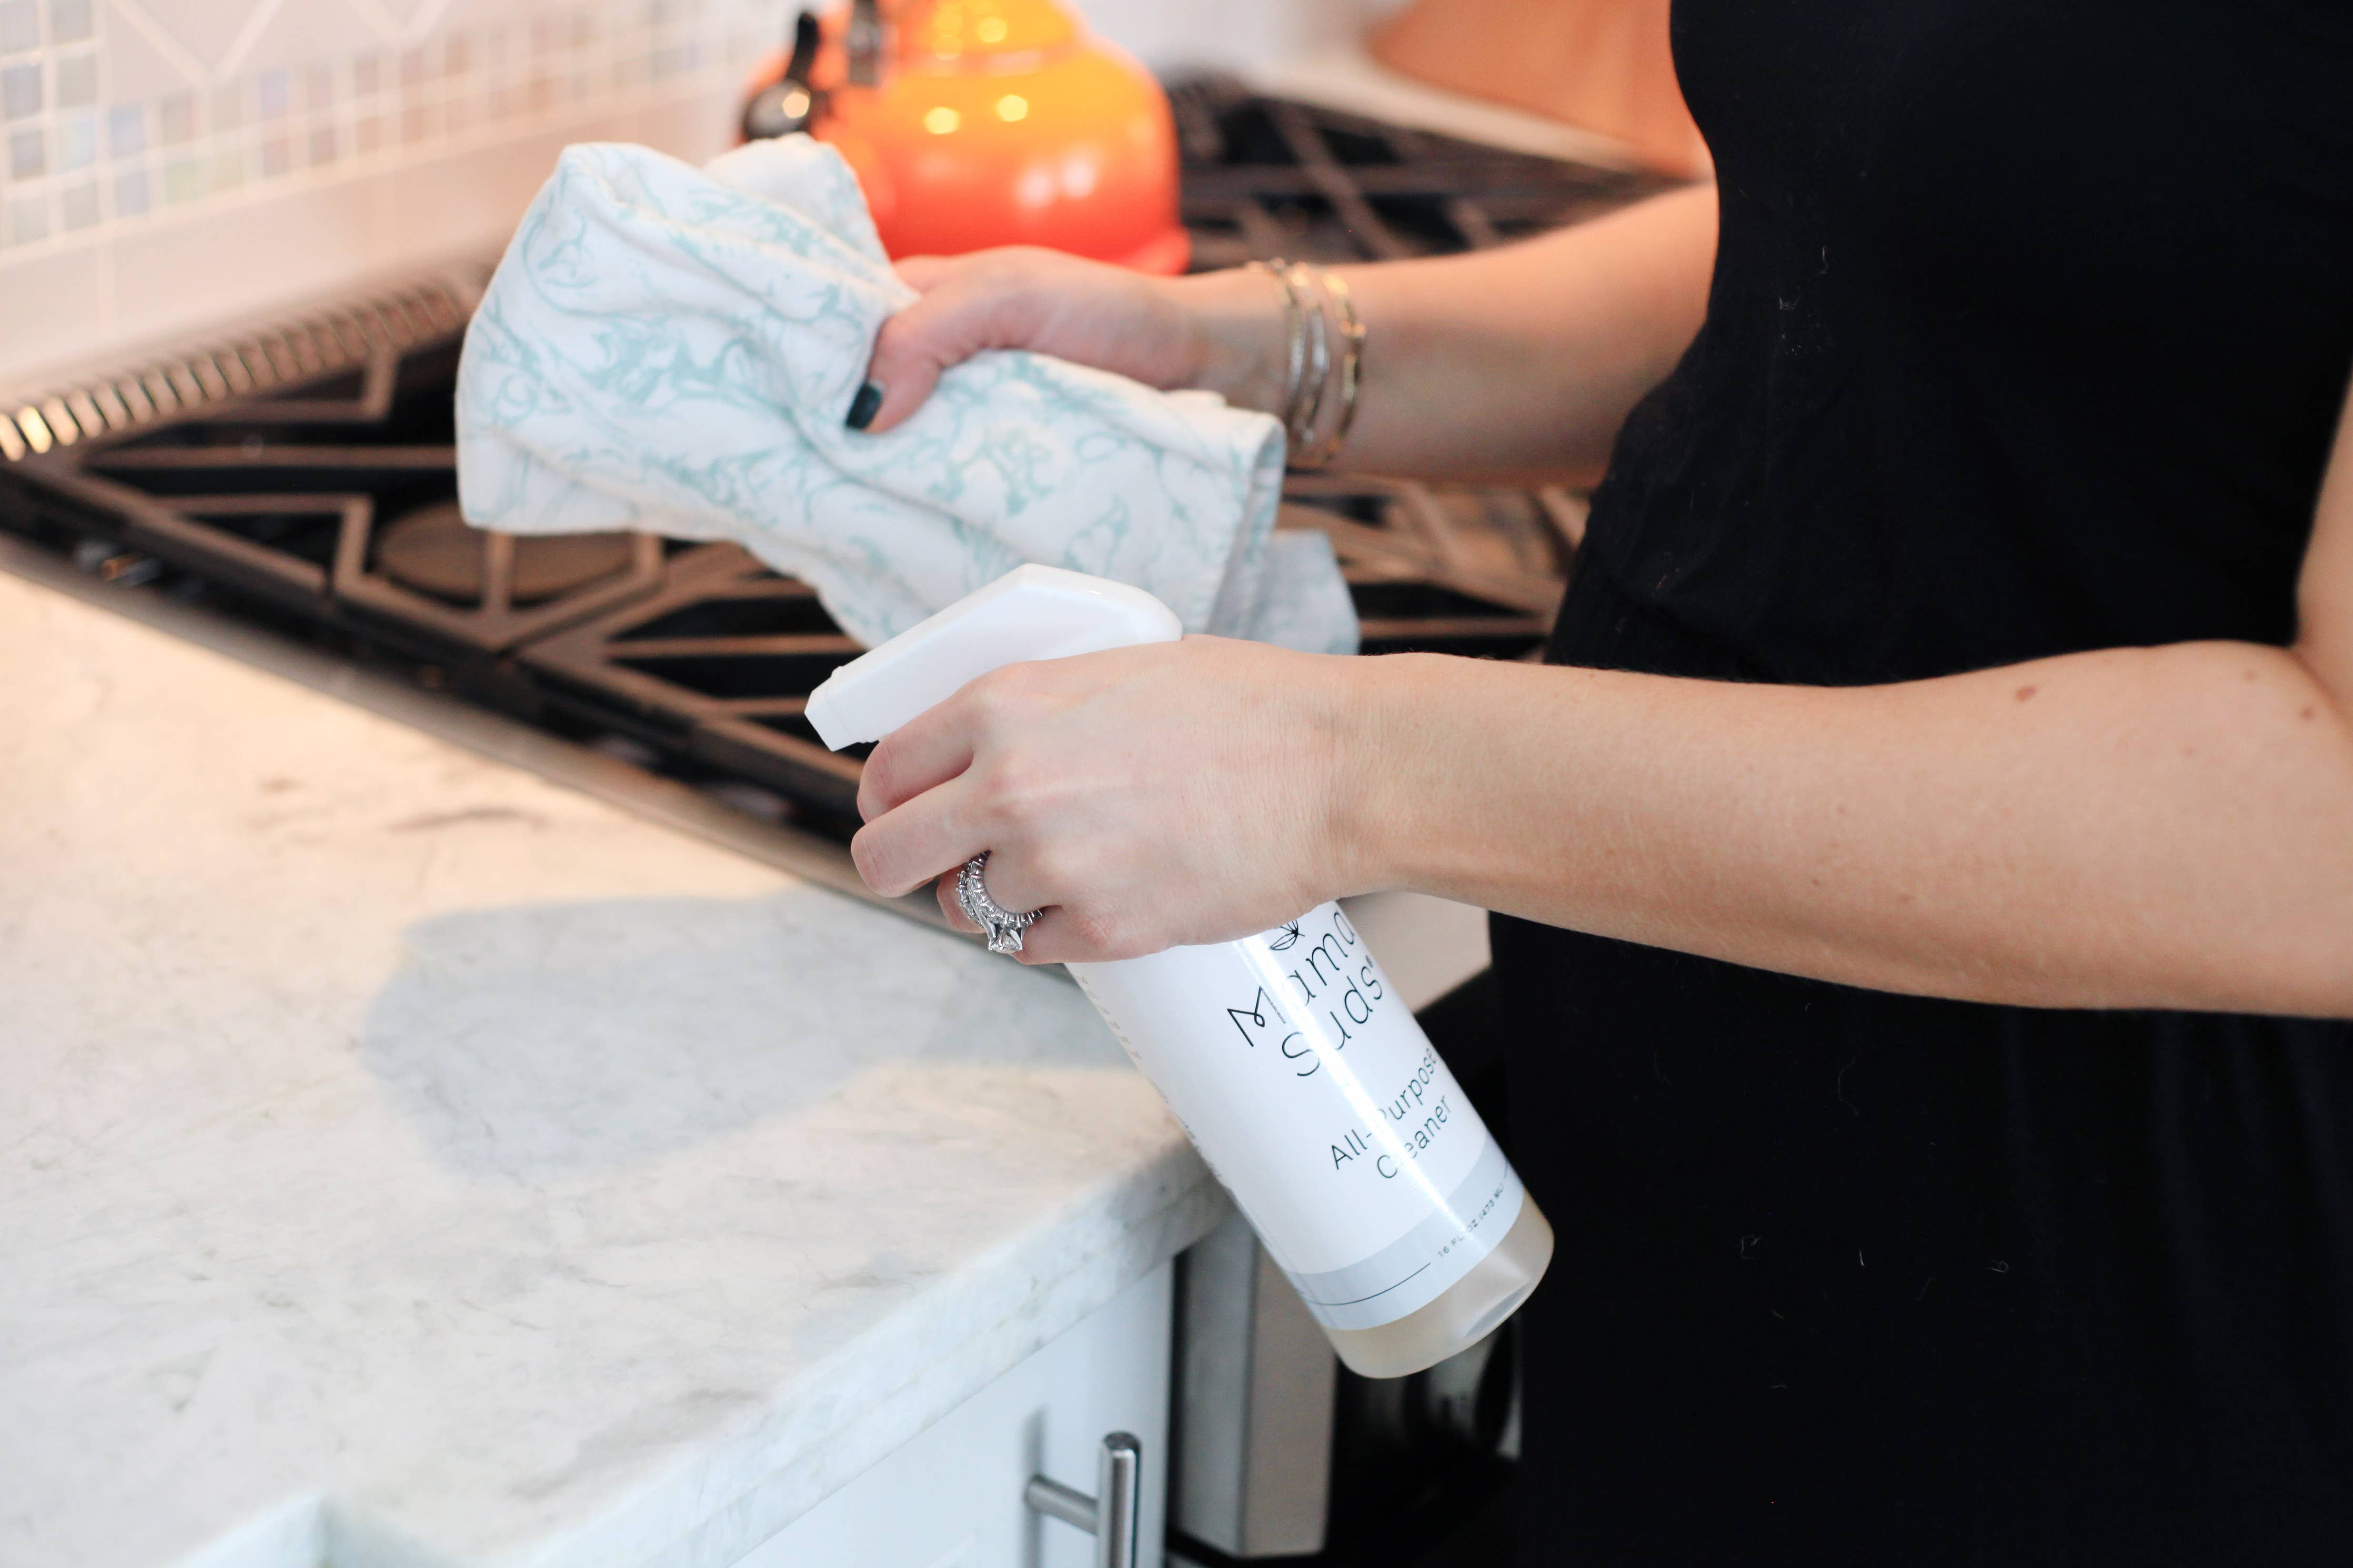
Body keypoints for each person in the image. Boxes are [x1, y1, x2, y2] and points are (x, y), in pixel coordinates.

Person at [841, 5, 2353, 1561]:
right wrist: (1245, 355)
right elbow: (1899, 215)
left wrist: (1335, 764)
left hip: (2125, 1296)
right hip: (1736, 1233)